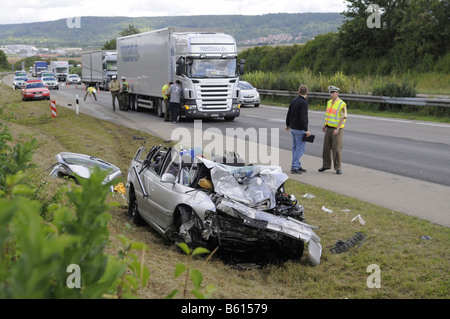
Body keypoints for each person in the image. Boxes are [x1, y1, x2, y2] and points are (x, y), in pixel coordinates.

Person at [319, 86, 348, 175]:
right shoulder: (329, 102)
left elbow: (343, 117)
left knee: (337, 149)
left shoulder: (342, 104)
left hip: (337, 129)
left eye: (332, 92)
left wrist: (338, 128)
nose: (331, 94)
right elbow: (328, 115)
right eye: (330, 92)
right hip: (329, 128)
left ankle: (338, 168)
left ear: (337, 93)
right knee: (326, 148)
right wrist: (325, 125)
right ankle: (326, 165)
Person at [285, 84, 311, 174]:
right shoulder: (304, 102)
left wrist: (288, 124)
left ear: (298, 91)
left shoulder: (294, 100)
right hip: (300, 129)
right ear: (307, 92)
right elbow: (303, 117)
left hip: (293, 127)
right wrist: (306, 129)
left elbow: (289, 113)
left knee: (295, 147)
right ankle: (294, 166)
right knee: (300, 149)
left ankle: (297, 165)